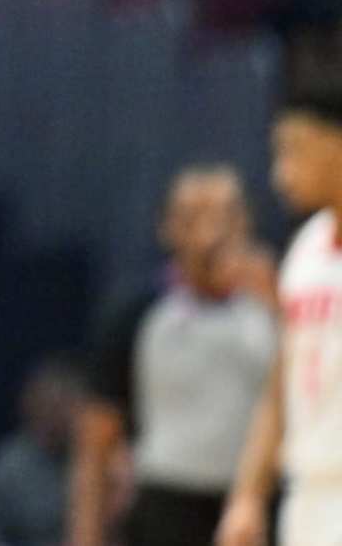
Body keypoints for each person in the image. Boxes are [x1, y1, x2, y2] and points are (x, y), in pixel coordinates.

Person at [66, 165, 276, 546]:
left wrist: (277, 305)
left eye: (226, 216)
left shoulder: (280, 307)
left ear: (247, 222)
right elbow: (95, 444)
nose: (212, 232)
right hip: (167, 506)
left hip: (258, 503)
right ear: (167, 227)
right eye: (194, 217)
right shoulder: (137, 314)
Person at [217, 75, 342, 546]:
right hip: (308, 492)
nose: (280, 173)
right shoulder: (307, 248)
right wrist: (248, 495)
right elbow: (280, 385)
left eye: (295, 149)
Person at [0, 355, 80, 546]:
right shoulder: (4, 469)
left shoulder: (95, 460)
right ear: (29, 403)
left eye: (65, 403)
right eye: (49, 404)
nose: (56, 414)